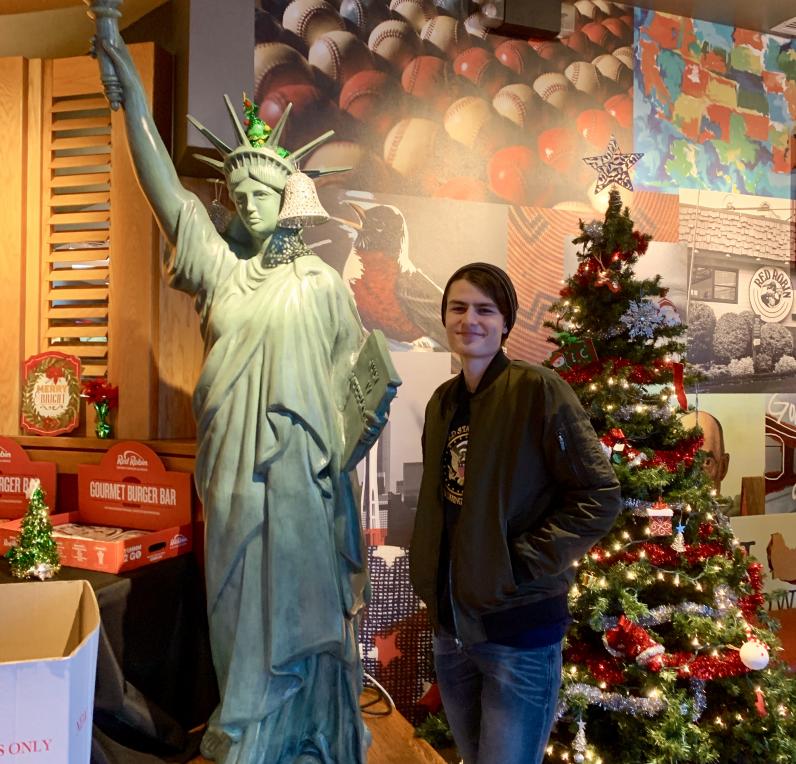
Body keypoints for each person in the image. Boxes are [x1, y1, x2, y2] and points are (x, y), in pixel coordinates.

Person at [91, 36, 374, 764]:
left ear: (289, 199)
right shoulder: (220, 270)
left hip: (305, 479)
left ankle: (303, 731)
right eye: (239, 194)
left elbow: (358, 386)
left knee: (302, 610)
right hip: (234, 473)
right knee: (238, 610)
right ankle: (247, 727)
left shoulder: (322, 285)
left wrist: (349, 439)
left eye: (263, 194)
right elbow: (166, 192)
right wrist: (132, 96)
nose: (249, 205)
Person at [410, 263, 622, 764]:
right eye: (458, 308)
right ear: (444, 317)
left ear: (506, 322)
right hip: (452, 629)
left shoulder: (539, 390)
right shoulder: (443, 402)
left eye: (485, 310)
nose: (470, 320)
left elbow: (598, 495)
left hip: (520, 632)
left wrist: (520, 564)